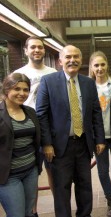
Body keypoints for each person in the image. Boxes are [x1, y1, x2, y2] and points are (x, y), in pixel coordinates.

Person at [36, 45, 106, 217]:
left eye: (76, 56)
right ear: (60, 61)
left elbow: (96, 113)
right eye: (68, 57)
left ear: (81, 61)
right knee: (61, 188)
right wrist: (46, 144)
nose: (72, 60)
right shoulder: (48, 81)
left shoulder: (89, 83)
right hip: (59, 147)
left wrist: (100, 139)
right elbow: (41, 115)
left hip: (83, 144)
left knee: (84, 186)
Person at [14, 36, 56, 217]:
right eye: (33, 47)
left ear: (44, 50)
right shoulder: (18, 74)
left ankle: (59, 207)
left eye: (40, 47)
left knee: (53, 171)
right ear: (26, 50)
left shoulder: (53, 72)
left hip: (50, 128)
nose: (37, 50)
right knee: (32, 174)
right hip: (28, 129)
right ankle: (33, 211)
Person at [88, 51, 111, 217]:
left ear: (107, 65)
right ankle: (110, 200)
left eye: (102, 64)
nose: (100, 68)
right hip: (99, 138)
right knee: (102, 172)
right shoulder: (88, 87)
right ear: (91, 67)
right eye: (96, 65)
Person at [0, 73, 41, 217]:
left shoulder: (30, 112)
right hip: (8, 176)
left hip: (30, 171)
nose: (22, 93)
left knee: (29, 212)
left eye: (25, 89)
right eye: (17, 89)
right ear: (7, 89)